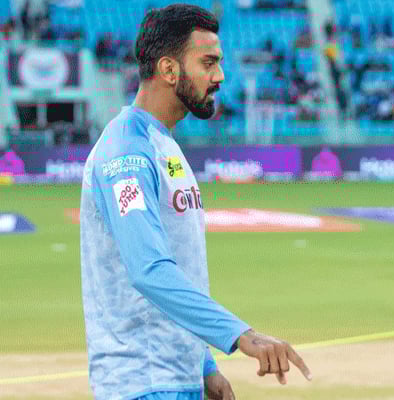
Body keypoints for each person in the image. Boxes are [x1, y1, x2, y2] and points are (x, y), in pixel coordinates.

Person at [79, 5, 312, 400]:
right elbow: (149, 270)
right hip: (143, 381)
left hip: (176, 377)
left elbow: (179, 270)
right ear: (169, 70)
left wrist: (204, 366)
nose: (220, 76)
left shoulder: (163, 143)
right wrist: (242, 336)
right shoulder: (126, 155)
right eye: (208, 63)